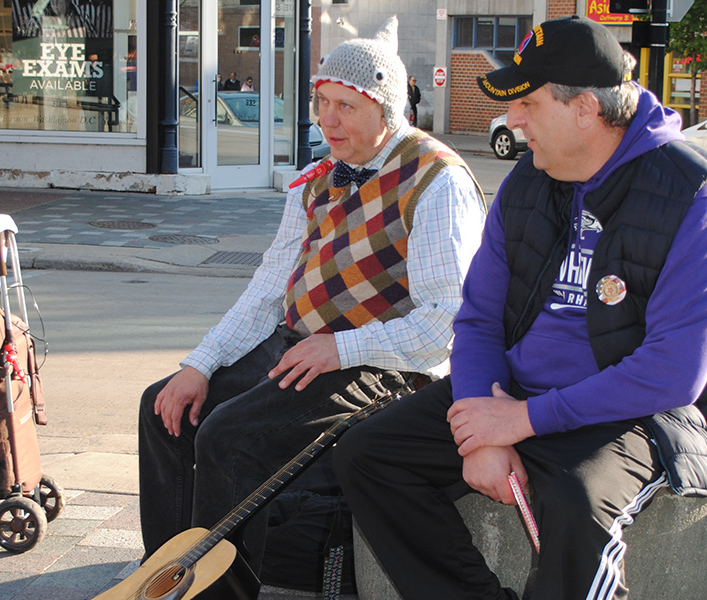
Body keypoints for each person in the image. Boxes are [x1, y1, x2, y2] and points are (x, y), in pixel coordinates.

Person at [333, 16, 707, 600]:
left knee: (576, 504)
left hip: (643, 413)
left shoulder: (698, 201)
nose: (511, 121)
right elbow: (479, 317)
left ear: (584, 107)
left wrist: (522, 422)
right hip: (520, 394)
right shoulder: (531, 181)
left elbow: (672, 373)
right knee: (368, 455)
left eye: (528, 103)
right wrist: (484, 424)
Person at [138, 15, 486, 590]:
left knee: (228, 437)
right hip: (303, 350)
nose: (327, 119)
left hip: (384, 368)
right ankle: (167, 578)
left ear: (386, 108)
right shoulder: (316, 178)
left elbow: (445, 326)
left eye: (345, 106)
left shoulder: (437, 181)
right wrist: (199, 365)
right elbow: (268, 291)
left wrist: (341, 348)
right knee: (167, 409)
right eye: (321, 101)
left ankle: (217, 592)